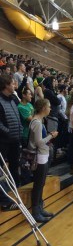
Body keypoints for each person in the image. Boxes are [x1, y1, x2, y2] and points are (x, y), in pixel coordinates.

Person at [28, 99, 58, 223]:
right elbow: (39, 142)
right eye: (49, 106)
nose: (50, 109)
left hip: (43, 155)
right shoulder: (37, 122)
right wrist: (51, 136)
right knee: (38, 185)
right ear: (43, 108)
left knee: (41, 184)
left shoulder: (39, 121)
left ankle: (40, 208)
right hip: (39, 156)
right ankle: (36, 212)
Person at [0, 74, 23, 211]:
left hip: (15, 140)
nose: (14, 85)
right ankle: (4, 201)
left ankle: (16, 193)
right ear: (6, 85)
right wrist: (7, 132)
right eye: (12, 83)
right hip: (4, 141)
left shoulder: (13, 99)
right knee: (2, 171)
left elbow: (17, 118)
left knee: (15, 166)